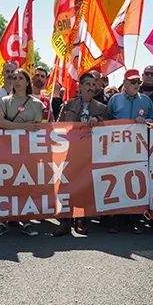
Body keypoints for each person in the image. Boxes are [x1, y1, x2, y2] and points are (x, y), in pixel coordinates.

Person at [55, 72, 108, 236]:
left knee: (84, 186)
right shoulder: (68, 105)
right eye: (88, 85)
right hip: (69, 152)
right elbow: (58, 127)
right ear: (81, 86)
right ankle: (64, 221)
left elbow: (108, 129)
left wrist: (98, 121)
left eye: (94, 85)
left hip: (89, 153)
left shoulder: (102, 108)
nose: (92, 88)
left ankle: (81, 220)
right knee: (65, 185)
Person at [0, 68, 45, 237]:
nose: (16, 81)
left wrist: (17, 126)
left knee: (25, 185)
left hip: (28, 151)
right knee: (5, 185)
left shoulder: (37, 104)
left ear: (27, 82)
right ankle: (3, 219)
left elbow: (37, 128)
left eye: (20, 78)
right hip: (6, 149)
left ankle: (26, 219)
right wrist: (24, 127)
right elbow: (0, 122)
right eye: (14, 78)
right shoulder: (4, 101)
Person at [107, 69, 153, 234]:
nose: (136, 85)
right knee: (119, 180)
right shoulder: (115, 100)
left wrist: (146, 121)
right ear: (125, 83)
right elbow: (108, 120)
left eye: (138, 82)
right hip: (118, 147)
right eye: (132, 82)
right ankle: (118, 220)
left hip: (139, 148)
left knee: (136, 181)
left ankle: (136, 220)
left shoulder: (146, 101)